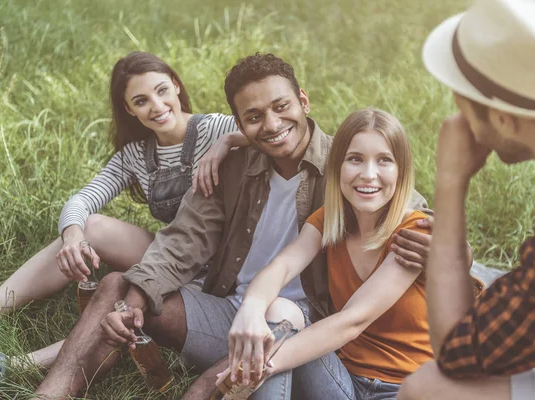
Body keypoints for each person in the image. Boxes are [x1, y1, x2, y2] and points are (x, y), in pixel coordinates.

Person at [27, 53, 432, 399]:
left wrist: (446, 246)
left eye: (281, 107)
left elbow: (403, 202)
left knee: (272, 323)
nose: (271, 125)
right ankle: (47, 392)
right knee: (119, 287)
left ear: (304, 101)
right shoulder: (228, 166)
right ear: (238, 123)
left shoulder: (344, 168)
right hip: (232, 311)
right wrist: (135, 302)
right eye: (253, 117)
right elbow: (181, 242)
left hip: (305, 329)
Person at [0, 51, 245, 373]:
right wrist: (73, 236)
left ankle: (9, 367)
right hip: (175, 258)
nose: (157, 107)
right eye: (142, 100)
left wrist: (229, 140)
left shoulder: (217, 127)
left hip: (227, 267)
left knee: (131, 303)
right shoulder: (136, 154)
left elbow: (270, 131)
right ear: (128, 109)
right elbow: (82, 200)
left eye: (162, 90)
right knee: (90, 226)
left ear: (176, 86)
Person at [397, 1, 535, 399]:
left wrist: (449, 184)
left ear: (502, 118)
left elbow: (455, 351)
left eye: (459, 99)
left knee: (425, 388)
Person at [218, 108, 434, 400]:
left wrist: (259, 367)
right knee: (279, 311)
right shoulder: (331, 221)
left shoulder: (416, 232)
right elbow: (281, 267)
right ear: (337, 167)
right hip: (342, 379)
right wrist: (250, 310)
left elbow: (354, 320)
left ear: (402, 171)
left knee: (275, 354)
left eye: (384, 160)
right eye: (355, 159)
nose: (368, 174)